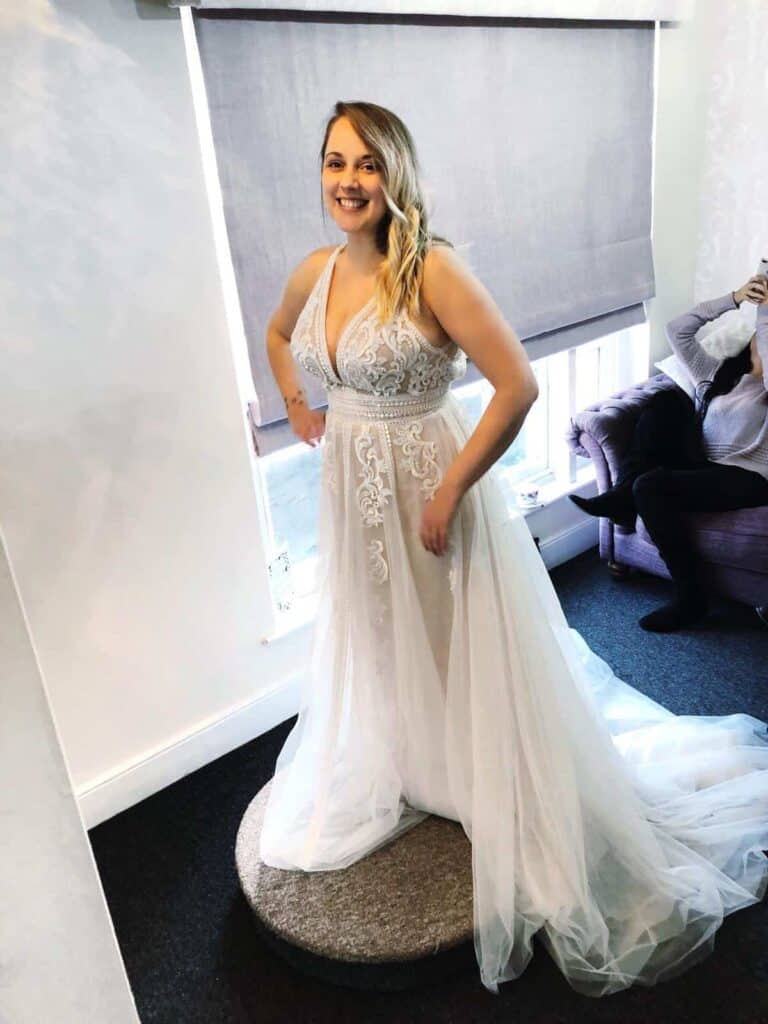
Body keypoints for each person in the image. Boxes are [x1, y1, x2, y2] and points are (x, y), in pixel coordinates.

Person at [259, 101, 768, 997]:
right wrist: (299, 405)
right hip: (351, 488)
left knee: (451, 634)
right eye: (335, 162)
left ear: (396, 172)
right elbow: (278, 333)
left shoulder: (433, 269)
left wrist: (450, 490)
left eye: (367, 163)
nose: (348, 180)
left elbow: (518, 385)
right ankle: (412, 753)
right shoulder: (316, 269)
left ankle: (479, 767)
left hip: (429, 482)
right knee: (379, 629)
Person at [570, 277, 768, 632]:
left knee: (650, 487)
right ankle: (623, 496)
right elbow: (677, 330)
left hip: (747, 478)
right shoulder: (719, 376)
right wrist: (736, 298)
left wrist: (766, 308)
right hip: (704, 465)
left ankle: (691, 599)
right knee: (663, 403)